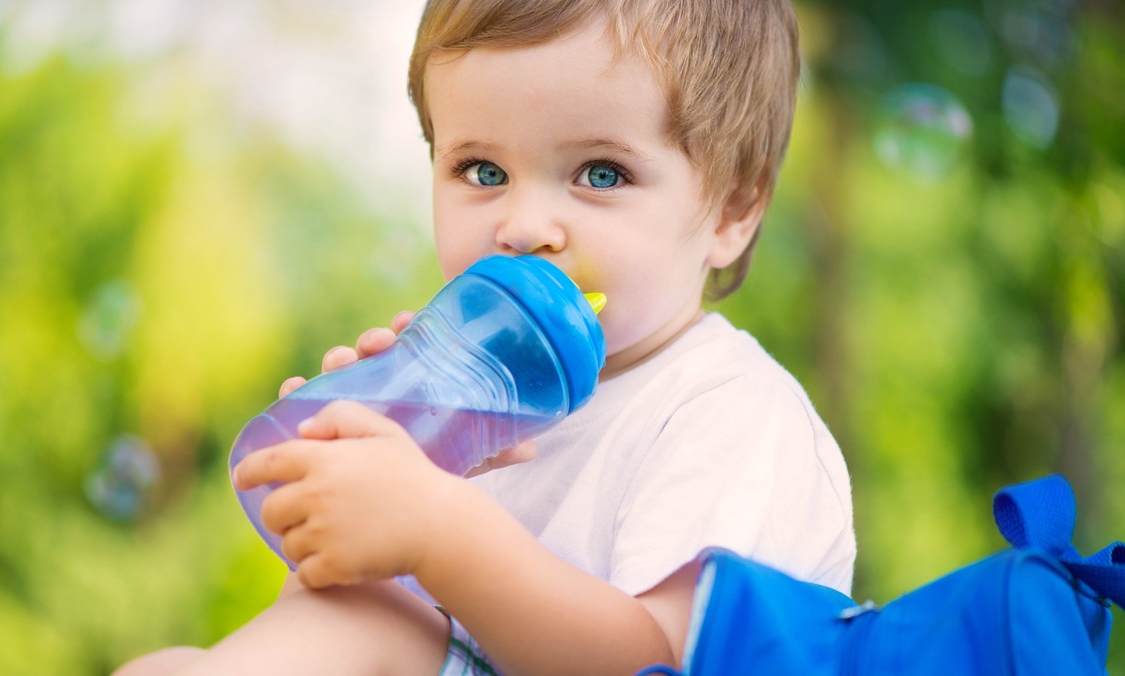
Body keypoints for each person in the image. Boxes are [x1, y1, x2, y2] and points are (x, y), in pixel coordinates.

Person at [117, 0, 854, 673]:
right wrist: (366, 498)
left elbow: (657, 658)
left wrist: (437, 530)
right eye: (482, 169)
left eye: (601, 173)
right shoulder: (477, 388)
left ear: (732, 208)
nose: (525, 226)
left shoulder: (733, 418)